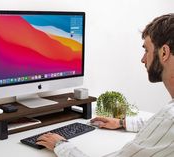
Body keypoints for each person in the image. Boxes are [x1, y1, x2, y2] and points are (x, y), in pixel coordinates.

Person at [36, 13, 174, 157]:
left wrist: (60, 145)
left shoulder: (170, 118)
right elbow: (159, 127)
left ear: (164, 52)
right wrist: (121, 123)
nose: (143, 59)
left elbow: (165, 123)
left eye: (146, 50)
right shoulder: (167, 121)